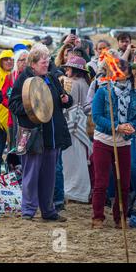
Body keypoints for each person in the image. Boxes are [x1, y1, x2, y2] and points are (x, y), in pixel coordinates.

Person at [9, 43, 72, 222]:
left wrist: (67, 99)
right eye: (43, 62)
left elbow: (63, 101)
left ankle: (48, 210)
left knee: (49, 175)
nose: (47, 64)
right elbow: (13, 104)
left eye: (48, 61)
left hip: (51, 135)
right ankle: (28, 211)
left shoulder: (51, 78)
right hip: (33, 134)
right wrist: (32, 109)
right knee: (31, 173)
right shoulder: (23, 79)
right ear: (33, 64)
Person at [91, 59, 135, 229]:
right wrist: (116, 126)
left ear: (129, 73)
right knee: (101, 182)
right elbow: (96, 117)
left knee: (123, 183)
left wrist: (131, 126)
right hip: (103, 140)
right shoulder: (103, 91)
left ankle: (120, 217)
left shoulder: (133, 94)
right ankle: (98, 217)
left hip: (124, 142)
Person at [60, 56, 92, 204]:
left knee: (70, 162)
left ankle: (74, 191)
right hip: (83, 126)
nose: (66, 70)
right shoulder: (86, 82)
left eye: (68, 68)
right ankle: (82, 191)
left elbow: (71, 108)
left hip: (72, 128)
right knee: (80, 162)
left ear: (75, 70)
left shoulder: (73, 84)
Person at [0, 49, 14, 176]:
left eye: (11, 59)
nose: (9, 62)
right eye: (6, 59)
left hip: (12, 123)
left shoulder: (16, 76)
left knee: (12, 156)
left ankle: (11, 182)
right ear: (0, 61)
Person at [2, 49, 29, 152]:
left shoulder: (33, 77)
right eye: (22, 60)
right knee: (13, 148)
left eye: (27, 60)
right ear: (17, 62)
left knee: (23, 148)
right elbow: (4, 96)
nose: (25, 63)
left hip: (28, 119)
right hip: (12, 119)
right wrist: (13, 106)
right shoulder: (10, 77)